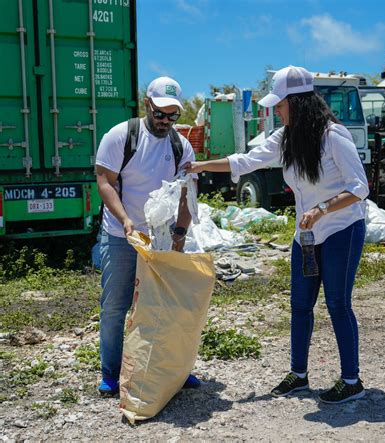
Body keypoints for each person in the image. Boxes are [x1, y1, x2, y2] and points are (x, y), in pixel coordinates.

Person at [184, 66, 369, 404]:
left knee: (338, 304)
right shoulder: (285, 137)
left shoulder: (334, 136)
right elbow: (247, 161)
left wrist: (322, 209)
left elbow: (360, 188)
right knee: (300, 304)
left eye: (280, 104)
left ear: (298, 102)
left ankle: (351, 379)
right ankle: (298, 375)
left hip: (342, 228)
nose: (275, 110)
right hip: (307, 236)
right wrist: (201, 166)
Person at [95, 76, 200, 396]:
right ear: (147, 105)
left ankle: (172, 371)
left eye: (172, 115)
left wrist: (179, 235)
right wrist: (125, 220)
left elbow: (187, 194)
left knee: (167, 306)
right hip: (120, 234)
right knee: (116, 305)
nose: (165, 121)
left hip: (160, 238)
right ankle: (111, 373)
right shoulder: (121, 136)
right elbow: (104, 181)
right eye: (160, 113)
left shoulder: (180, 146)